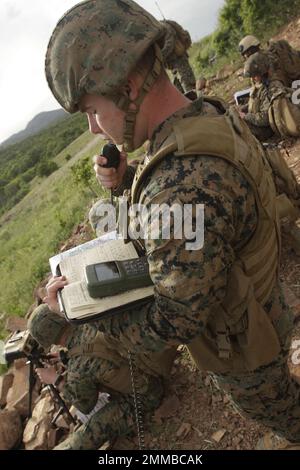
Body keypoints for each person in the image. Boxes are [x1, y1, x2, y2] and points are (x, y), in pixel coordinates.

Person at [45, 0, 300, 449]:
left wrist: (79, 315)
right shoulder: (204, 114)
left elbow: (173, 323)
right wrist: (127, 182)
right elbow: (194, 218)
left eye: (91, 110)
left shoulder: (179, 185)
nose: (92, 128)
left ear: (126, 87)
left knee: (287, 415)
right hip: (261, 300)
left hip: (244, 346)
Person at [28, 296, 175, 450]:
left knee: (88, 433)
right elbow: (97, 349)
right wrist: (66, 357)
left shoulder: (77, 368)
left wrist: (56, 379)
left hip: (147, 395)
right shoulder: (92, 319)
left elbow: (85, 405)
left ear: (49, 339)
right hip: (156, 361)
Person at [160, 19, 196, 96]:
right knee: (178, 86)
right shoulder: (159, 28)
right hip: (172, 63)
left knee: (188, 83)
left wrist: (161, 56)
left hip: (178, 58)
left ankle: (195, 102)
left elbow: (170, 41)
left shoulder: (163, 26)